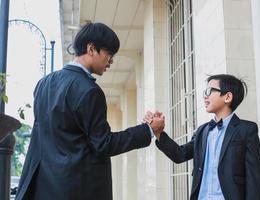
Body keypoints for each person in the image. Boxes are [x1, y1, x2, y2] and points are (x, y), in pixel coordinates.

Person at [16, 22, 165, 200]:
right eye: (109, 54)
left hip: (43, 189)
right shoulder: (89, 91)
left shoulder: (43, 84)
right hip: (78, 191)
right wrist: (148, 130)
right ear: (91, 48)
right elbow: (103, 144)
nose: (111, 61)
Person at [145, 74, 260, 200]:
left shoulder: (246, 130)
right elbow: (180, 154)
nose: (205, 96)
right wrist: (158, 132)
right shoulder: (203, 131)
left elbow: (253, 178)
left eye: (210, 91)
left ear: (227, 97)